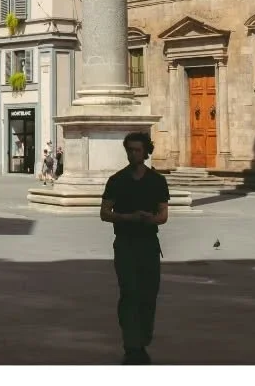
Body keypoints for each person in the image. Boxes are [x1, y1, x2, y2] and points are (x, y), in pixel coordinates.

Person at [101, 131, 170, 365]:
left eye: (137, 150)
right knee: (129, 293)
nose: (132, 154)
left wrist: (151, 219)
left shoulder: (157, 181)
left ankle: (142, 337)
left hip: (149, 244)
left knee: (149, 294)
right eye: (129, 149)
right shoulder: (117, 180)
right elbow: (104, 213)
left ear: (146, 151)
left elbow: (163, 215)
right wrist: (128, 217)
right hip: (125, 244)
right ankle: (132, 344)